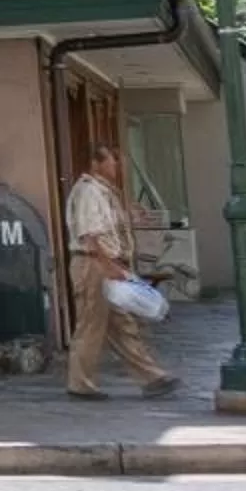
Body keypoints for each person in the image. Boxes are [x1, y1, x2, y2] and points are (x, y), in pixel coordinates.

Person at [64, 141, 177, 400]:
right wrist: (108, 266)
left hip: (107, 263)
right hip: (93, 265)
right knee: (91, 325)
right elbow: (90, 235)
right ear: (96, 163)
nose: (116, 166)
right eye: (112, 161)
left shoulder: (105, 192)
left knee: (123, 325)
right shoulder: (88, 192)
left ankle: (152, 377)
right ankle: (80, 383)